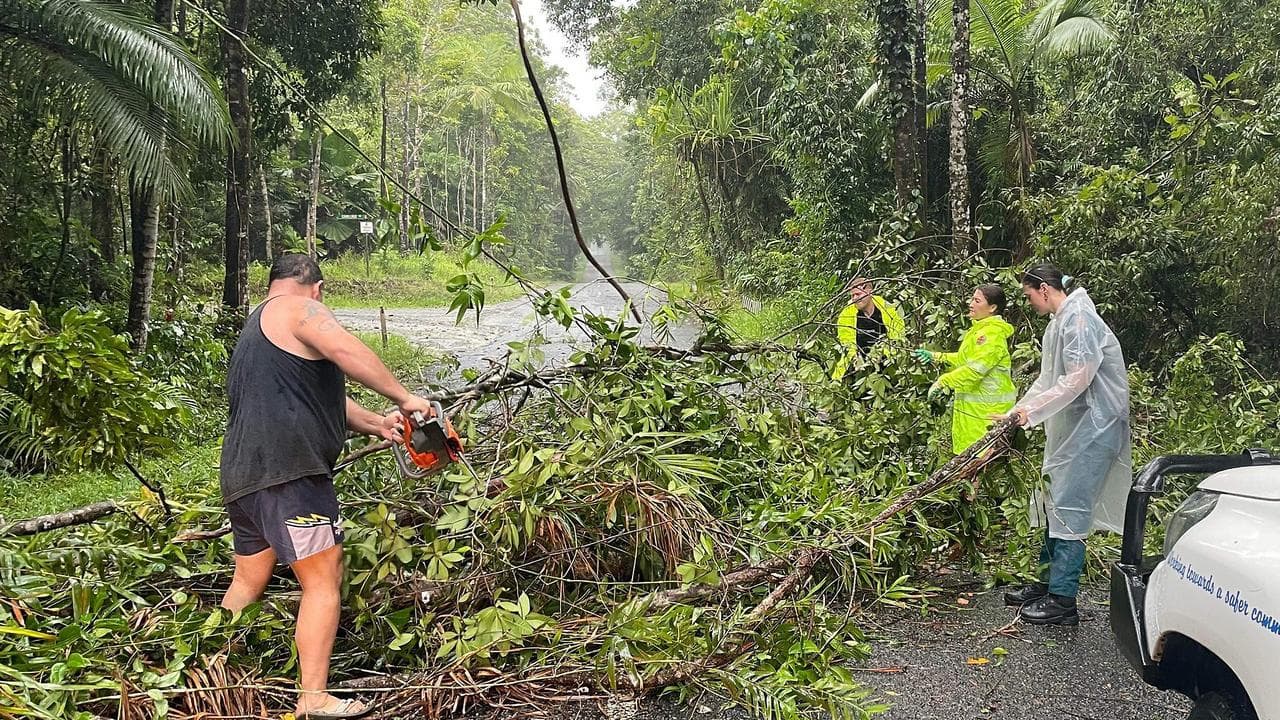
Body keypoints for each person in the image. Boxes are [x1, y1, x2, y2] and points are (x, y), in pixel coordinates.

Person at [219, 254, 436, 719]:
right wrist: (404, 396)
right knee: (324, 579)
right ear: (316, 287)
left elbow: (323, 396)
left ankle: (212, 668)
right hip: (292, 473)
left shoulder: (261, 325)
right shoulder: (300, 309)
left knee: (248, 580)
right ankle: (313, 697)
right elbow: (347, 351)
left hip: (245, 476)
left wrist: (379, 423)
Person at [1000, 264, 1131, 626]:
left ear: (1044, 288)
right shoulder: (1061, 321)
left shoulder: (1079, 320)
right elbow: (1047, 380)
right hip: (1074, 428)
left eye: (1028, 295)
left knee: (1069, 508)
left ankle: (1063, 599)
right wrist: (1018, 411)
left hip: (1094, 428)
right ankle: (1046, 582)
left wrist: (1032, 412)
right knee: (1053, 502)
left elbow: (1078, 379)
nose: (1029, 302)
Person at [914, 284, 1016, 455]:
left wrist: (943, 382)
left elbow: (975, 371)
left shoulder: (991, 335)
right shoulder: (979, 330)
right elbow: (965, 361)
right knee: (969, 466)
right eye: (972, 299)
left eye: (977, 300)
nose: (971, 304)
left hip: (986, 415)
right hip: (973, 414)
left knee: (978, 466)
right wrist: (936, 357)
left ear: (992, 308)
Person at [832, 277, 906, 380]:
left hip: (886, 362)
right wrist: (855, 359)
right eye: (852, 295)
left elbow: (898, 336)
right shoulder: (847, 314)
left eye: (858, 294)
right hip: (857, 365)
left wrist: (883, 354)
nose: (854, 298)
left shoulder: (888, 309)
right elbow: (846, 341)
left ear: (870, 292)